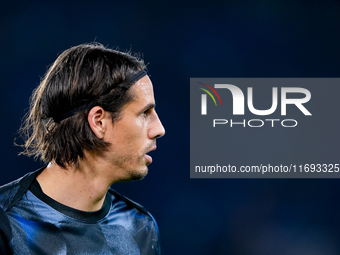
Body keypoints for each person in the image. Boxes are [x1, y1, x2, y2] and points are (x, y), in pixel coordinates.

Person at [0, 43, 165, 254]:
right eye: (144, 113)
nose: (159, 129)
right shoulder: (6, 224)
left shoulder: (140, 227)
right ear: (99, 122)